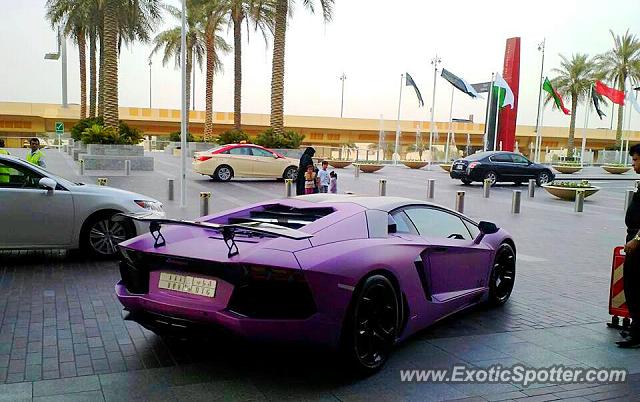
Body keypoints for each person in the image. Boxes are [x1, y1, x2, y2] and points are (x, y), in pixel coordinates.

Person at [619, 143, 640, 348]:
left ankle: (637, 334)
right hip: (633, 239)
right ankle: (636, 329)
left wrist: (637, 240)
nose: (633, 164)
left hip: (638, 243)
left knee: (635, 287)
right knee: (633, 287)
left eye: (635, 160)